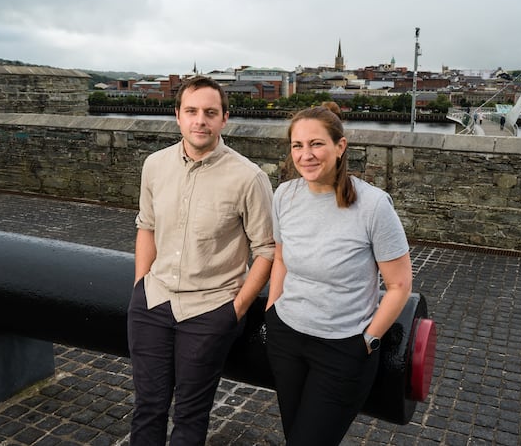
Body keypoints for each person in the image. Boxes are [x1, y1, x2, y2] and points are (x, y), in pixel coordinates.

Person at [127, 75, 275, 445]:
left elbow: (267, 250)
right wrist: (140, 285)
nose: (200, 120)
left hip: (210, 310)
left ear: (225, 118)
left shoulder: (249, 178)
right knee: (148, 407)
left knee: (191, 415)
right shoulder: (155, 166)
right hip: (153, 302)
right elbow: (146, 226)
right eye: (191, 111)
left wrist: (235, 310)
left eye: (210, 112)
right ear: (177, 116)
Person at [264, 106, 413, 445]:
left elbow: (399, 284)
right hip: (286, 338)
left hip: (343, 349)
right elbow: (282, 257)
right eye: (297, 145)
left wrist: (368, 340)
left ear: (340, 146)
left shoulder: (373, 206)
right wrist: (272, 309)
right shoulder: (284, 195)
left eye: (316, 144)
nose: (306, 155)